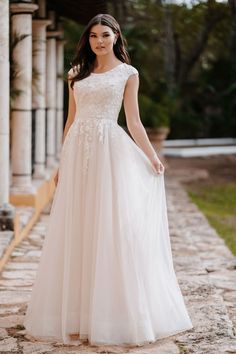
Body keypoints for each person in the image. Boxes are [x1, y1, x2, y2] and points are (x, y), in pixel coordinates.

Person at [24, 13, 193, 347]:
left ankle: (114, 313)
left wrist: (152, 157)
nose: (98, 41)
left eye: (105, 35)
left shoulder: (128, 74)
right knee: (79, 227)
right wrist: (61, 162)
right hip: (78, 154)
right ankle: (77, 314)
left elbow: (134, 121)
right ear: (87, 40)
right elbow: (70, 121)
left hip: (108, 152)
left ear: (116, 37)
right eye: (93, 36)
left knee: (111, 226)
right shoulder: (75, 75)